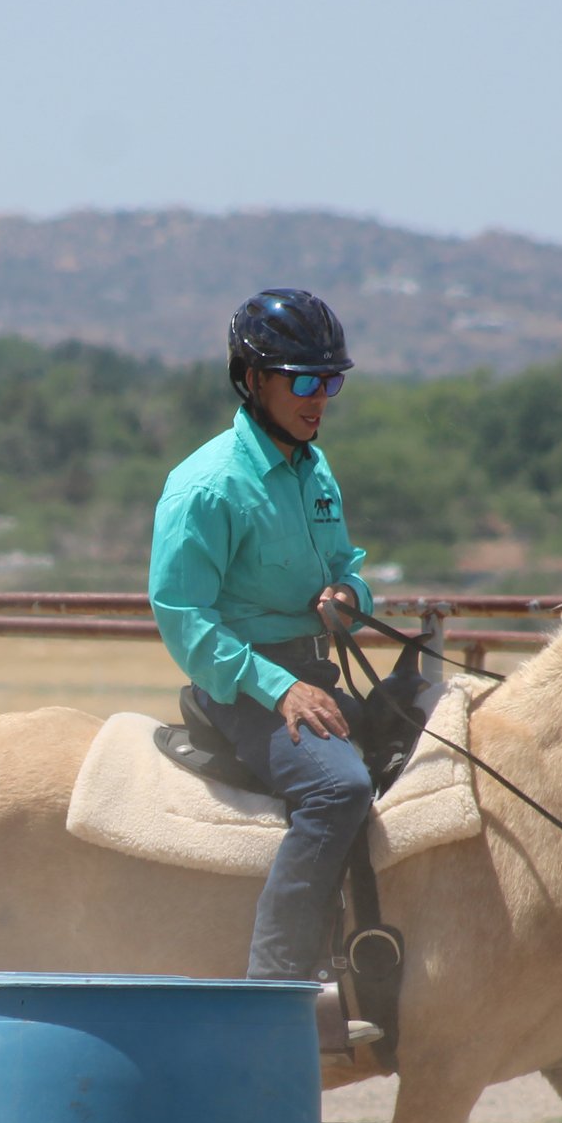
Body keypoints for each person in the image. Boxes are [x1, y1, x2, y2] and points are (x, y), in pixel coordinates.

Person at [148, 288, 376, 986]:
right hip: (246, 685)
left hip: (317, 668)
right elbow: (182, 618)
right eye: (304, 380)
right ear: (252, 380)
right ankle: (275, 982)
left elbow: (350, 568)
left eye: (330, 381)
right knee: (338, 790)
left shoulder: (315, 468)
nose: (320, 398)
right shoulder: (208, 486)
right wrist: (280, 688)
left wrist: (349, 598)